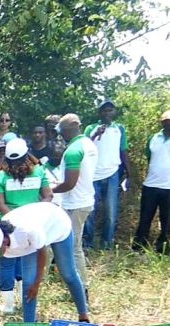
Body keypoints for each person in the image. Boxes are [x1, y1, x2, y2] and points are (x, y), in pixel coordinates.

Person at [0, 202, 89, 324]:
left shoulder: (26, 230)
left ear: (4, 241)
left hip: (56, 223)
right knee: (28, 281)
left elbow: (42, 253)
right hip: (33, 239)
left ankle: (83, 316)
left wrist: (37, 282)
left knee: (68, 273)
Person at [0, 138, 54, 313]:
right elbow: (48, 196)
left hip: (6, 225)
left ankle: (8, 305)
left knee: (6, 264)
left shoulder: (1, 176)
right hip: (33, 224)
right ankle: (25, 299)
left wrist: (13, 219)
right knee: (28, 263)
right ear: (27, 154)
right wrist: (37, 214)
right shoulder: (39, 172)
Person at [133, 108, 170, 255]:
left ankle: (162, 249)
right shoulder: (153, 138)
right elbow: (149, 157)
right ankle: (139, 247)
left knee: (167, 220)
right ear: (164, 122)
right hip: (151, 185)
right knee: (145, 217)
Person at [52, 114, 97, 294]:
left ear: (67, 129)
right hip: (84, 199)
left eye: (61, 131)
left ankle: (81, 288)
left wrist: (50, 190)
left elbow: (69, 183)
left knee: (73, 247)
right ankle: (74, 283)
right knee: (71, 245)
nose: (60, 135)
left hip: (75, 203)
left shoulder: (73, 150)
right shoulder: (88, 145)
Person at [83, 99, 131, 250]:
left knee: (110, 211)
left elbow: (123, 151)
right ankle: (88, 243)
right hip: (92, 175)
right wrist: (96, 134)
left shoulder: (120, 129)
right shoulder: (91, 128)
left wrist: (129, 172)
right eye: (104, 110)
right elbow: (84, 146)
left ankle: (107, 244)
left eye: (110, 110)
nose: (107, 113)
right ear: (99, 112)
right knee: (89, 210)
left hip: (112, 174)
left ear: (114, 112)